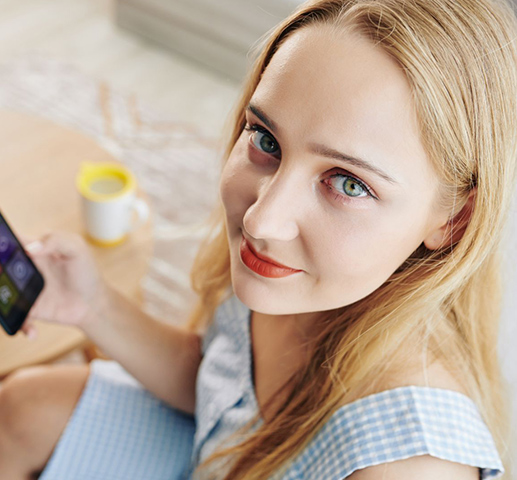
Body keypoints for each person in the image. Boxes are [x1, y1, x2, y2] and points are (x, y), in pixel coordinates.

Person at [0, 0, 516, 478]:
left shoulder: (408, 466)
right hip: (211, 455)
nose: (260, 221)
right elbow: (216, 383)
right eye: (267, 140)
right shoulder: (298, 278)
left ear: (453, 220)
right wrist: (93, 305)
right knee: (23, 405)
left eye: (348, 184)